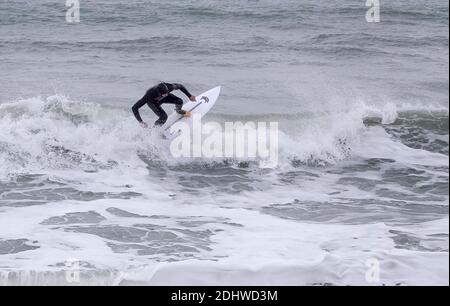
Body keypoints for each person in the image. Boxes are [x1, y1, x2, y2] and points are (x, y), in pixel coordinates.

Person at [132, 82, 197, 128]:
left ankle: (178, 110)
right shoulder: (149, 95)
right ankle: (154, 130)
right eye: (164, 94)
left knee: (179, 101)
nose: (166, 94)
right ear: (158, 92)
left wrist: (189, 96)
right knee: (164, 117)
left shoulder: (169, 87)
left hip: (163, 98)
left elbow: (180, 86)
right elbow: (134, 108)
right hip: (153, 103)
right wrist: (141, 122)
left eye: (166, 93)